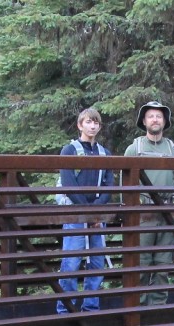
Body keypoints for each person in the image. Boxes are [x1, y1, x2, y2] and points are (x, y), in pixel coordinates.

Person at [123, 100, 174, 306]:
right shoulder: (134, 149)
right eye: (150, 116)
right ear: (144, 121)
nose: (155, 119)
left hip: (168, 213)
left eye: (158, 116)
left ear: (165, 121)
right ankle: (138, 311)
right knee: (140, 264)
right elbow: (124, 185)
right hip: (142, 214)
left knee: (163, 265)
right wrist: (127, 214)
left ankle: (157, 311)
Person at [56, 108, 115, 314]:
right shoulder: (69, 150)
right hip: (75, 214)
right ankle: (66, 309)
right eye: (88, 122)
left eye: (96, 123)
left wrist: (96, 212)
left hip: (97, 215)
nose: (92, 126)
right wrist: (88, 212)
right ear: (80, 125)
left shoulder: (104, 153)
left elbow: (109, 185)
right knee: (71, 263)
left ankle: (91, 308)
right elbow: (69, 184)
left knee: (97, 263)